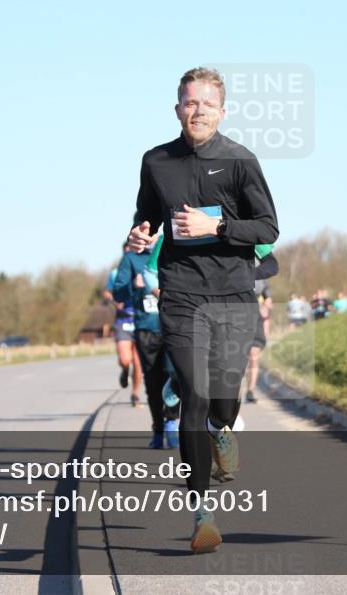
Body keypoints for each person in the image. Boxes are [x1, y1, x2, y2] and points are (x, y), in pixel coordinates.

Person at [127, 66, 278, 554]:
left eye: (207, 104)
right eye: (190, 103)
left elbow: (267, 228)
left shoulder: (240, 161)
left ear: (222, 111)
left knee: (222, 397)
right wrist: (140, 234)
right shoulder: (156, 162)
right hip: (182, 293)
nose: (198, 111)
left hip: (233, 293)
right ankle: (202, 515)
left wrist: (216, 229)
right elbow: (145, 213)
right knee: (192, 392)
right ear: (178, 109)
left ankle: (221, 427)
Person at [112, 234, 179, 449]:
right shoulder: (131, 259)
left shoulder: (171, 249)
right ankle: (158, 430)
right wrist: (134, 284)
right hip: (146, 330)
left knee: (174, 376)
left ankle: (171, 423)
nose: (152, 236)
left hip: (174, 327)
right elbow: (118, 294)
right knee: (153, 381)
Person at [106, 244, 144, 406]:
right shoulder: (116, 272)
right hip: (123, 319)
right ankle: (124, 370)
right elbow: (108, 292)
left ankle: (135, 394)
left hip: (140, 318)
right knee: (125, 359)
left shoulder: (143, 267)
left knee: (138, 363)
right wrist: (116, 302)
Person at [245, 244, 278, 404]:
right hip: (235, 310)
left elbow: (267, 295)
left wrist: (266, 306)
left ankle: (251, 390)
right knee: (237, 356)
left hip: (255, 312)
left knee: (254, 355)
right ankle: (231, 395)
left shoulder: (261, 260)